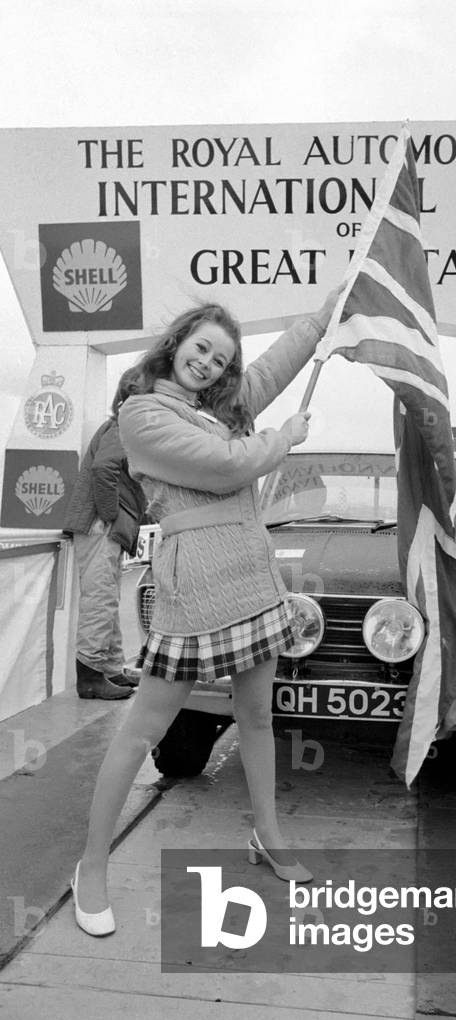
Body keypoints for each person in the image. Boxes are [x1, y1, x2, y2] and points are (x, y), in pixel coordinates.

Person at [70, 290, 340, 937]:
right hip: (193, 592)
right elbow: (221, 469)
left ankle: (267, 833)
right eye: (201, 348)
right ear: (176, 342)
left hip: (253, 580)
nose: (210, 363)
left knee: (256, 716)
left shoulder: (218, 407)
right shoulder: (139, 414)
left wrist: (328, 310)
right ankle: (91, 865)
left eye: (221, 358)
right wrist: (283, 439)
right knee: (141, 731)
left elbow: (277, 366)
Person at [63, 371, 147, 700]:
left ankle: (110, 669)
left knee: (107, 599)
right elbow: (104, 469)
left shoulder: (121, 423)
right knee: (99, 602)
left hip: (102, 526)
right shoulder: (125, 424)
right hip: (100, 525)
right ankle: (90, 679)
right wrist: (111, 515)